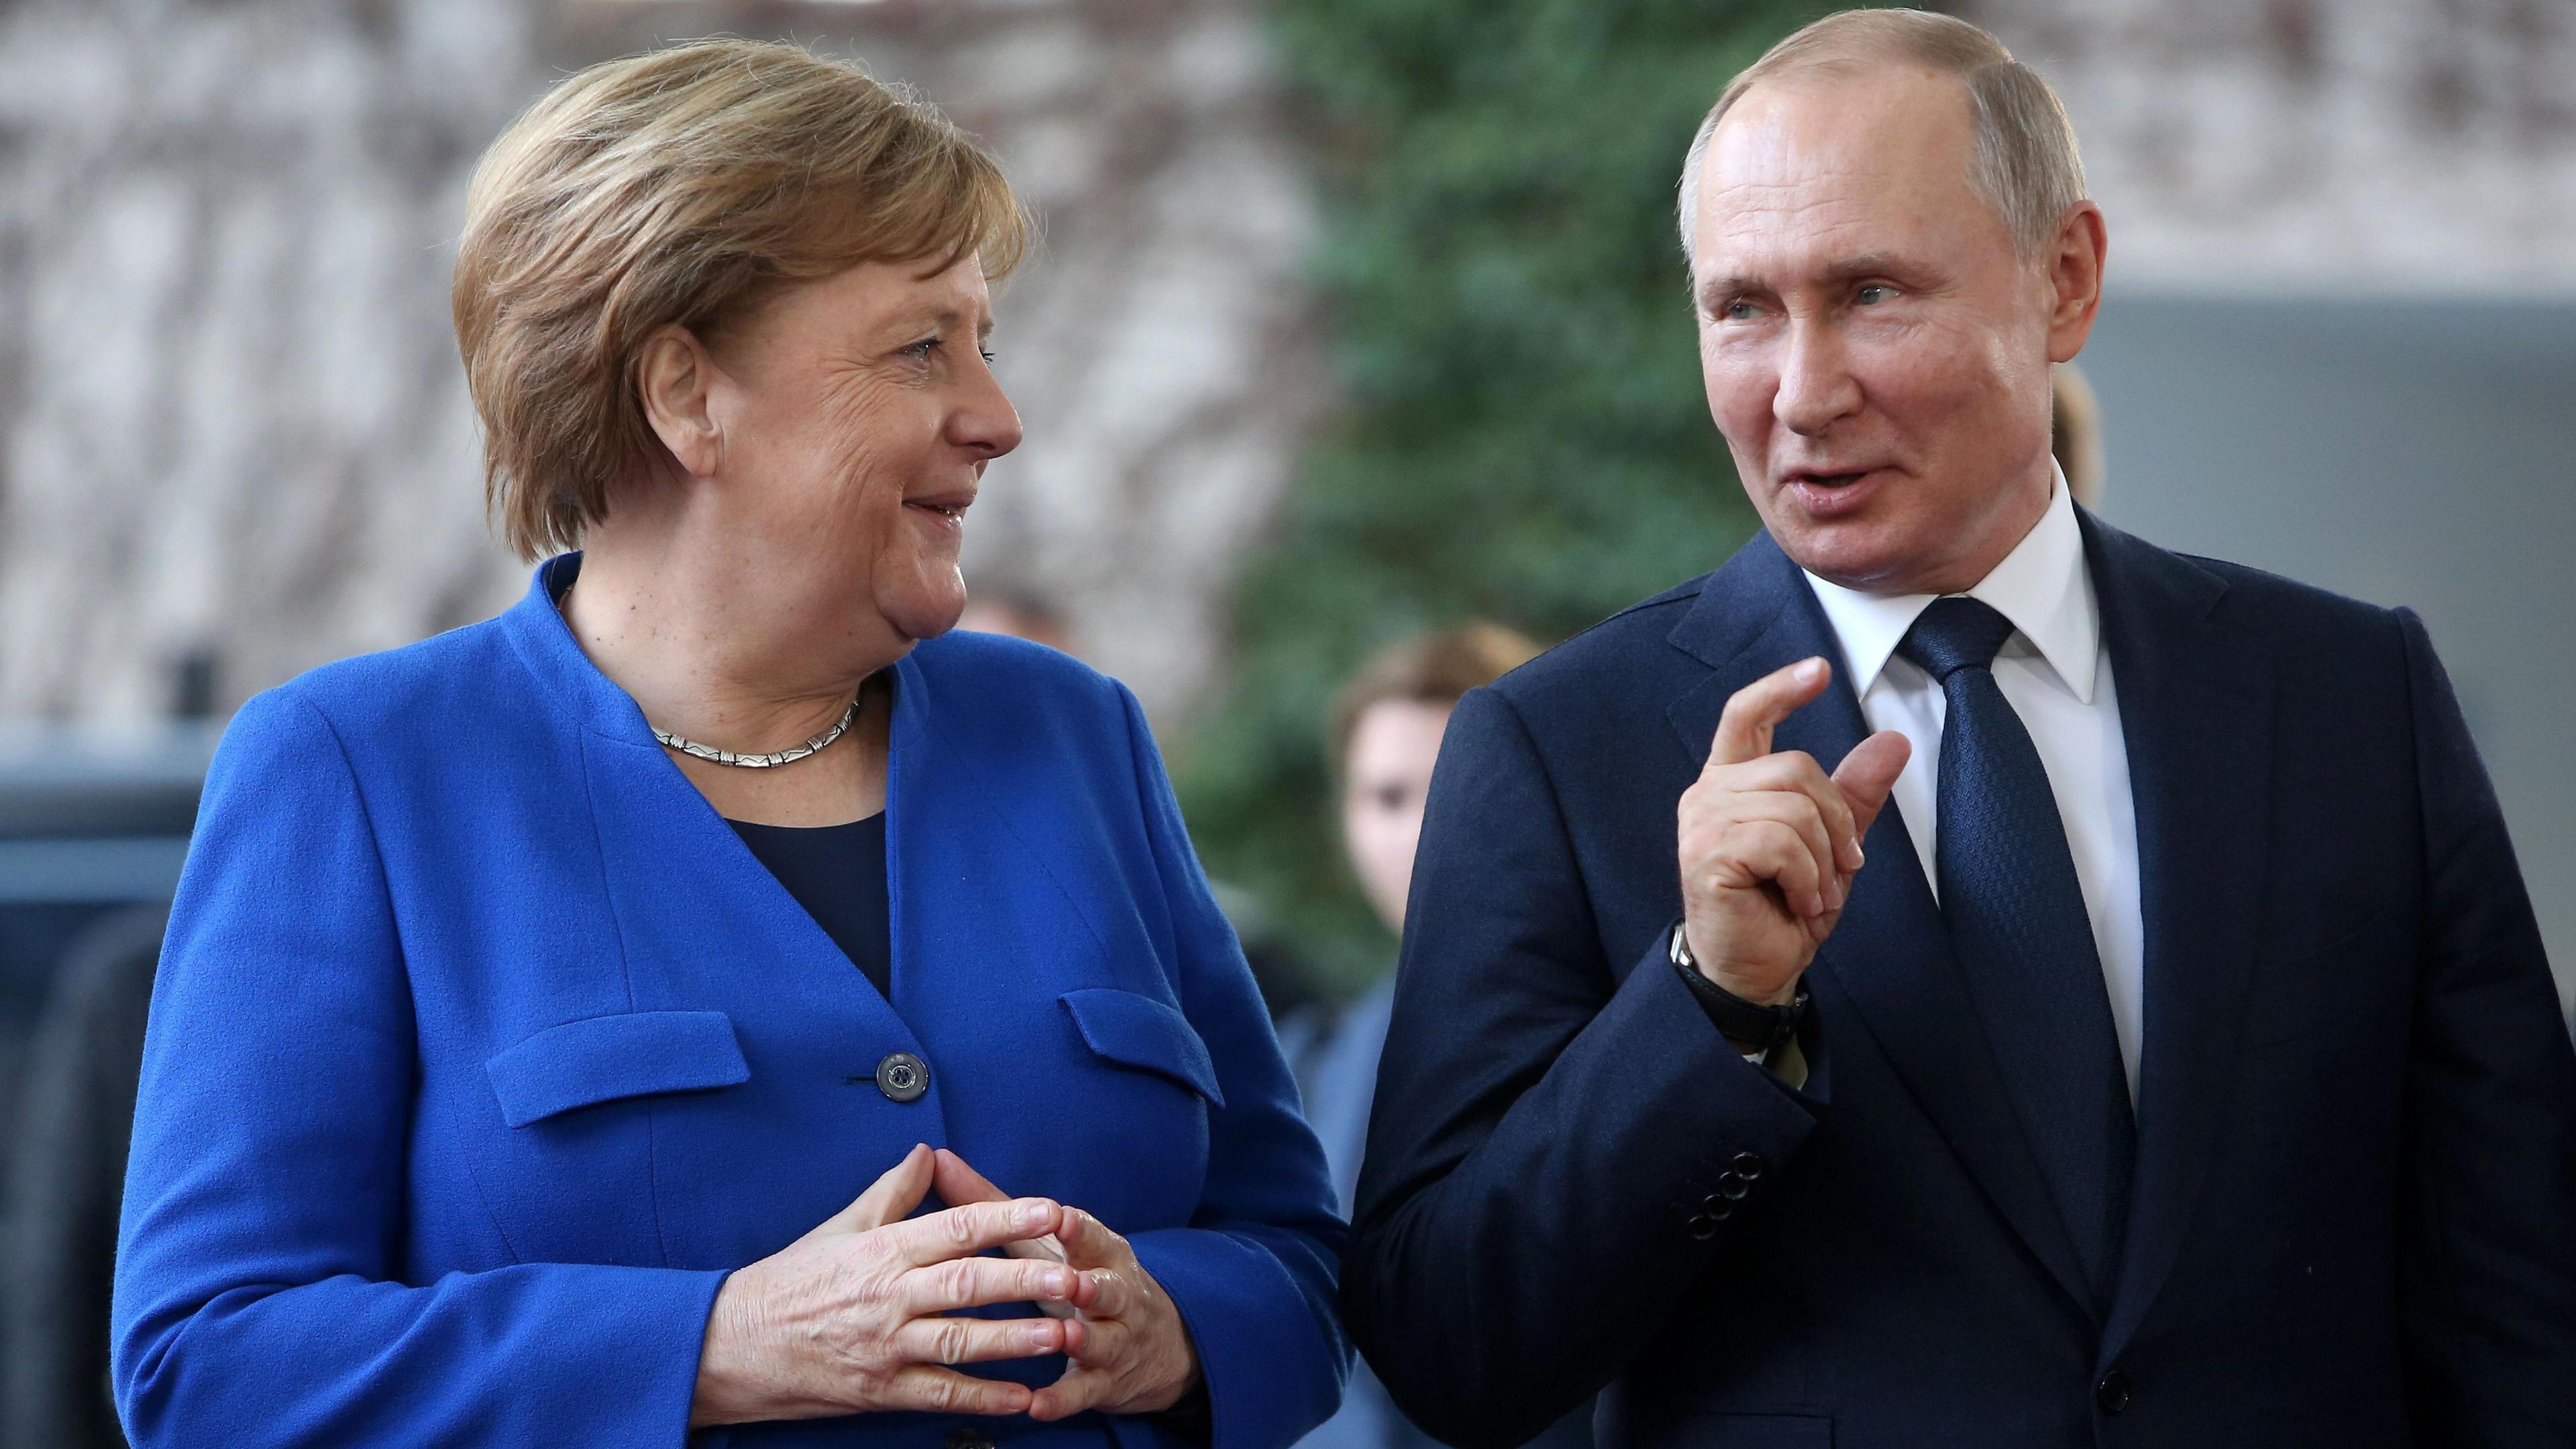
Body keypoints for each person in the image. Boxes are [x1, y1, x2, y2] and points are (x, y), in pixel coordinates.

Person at [1344, 11, 2576, 1448]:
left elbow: (2520, 1290)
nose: (1803, 392)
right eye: (1742, 307)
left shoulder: (2347, 698)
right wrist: (1709, 1010)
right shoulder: (1560, 751)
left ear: (2065, 282)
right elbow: (1448, 1347)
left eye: (1870, 292)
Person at [110, 40, 1346, 1449]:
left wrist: (1172, 1328)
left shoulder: (1075, 734)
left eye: (984, 344)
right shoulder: (358, 769)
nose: (998, 420)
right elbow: (208, 1367)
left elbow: (1300, 1268)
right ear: (685, 393)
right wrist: (722, 1345)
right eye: (920, 347)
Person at [1285, 625, 1565, 1449]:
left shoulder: (1637, 1044)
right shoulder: (1306, 1057)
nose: (1419, 835)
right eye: (1387, 797)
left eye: (1454, 787)